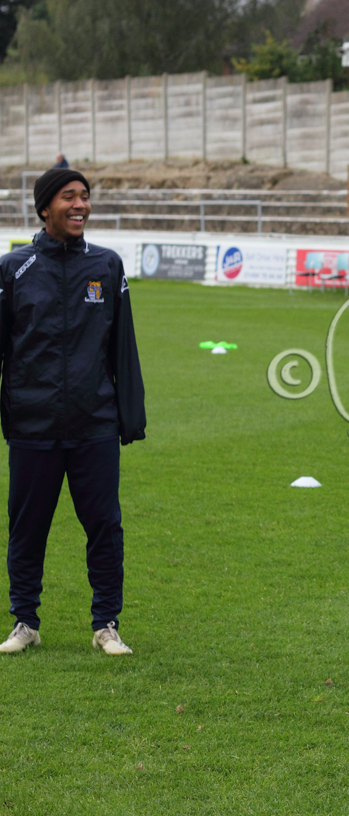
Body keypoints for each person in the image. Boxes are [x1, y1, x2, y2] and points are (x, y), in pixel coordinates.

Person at [0, 168, 146, 656]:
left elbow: (122, 346)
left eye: (85, 196)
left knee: (104, 526)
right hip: (32, 424)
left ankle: (106, 624)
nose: (80, 204)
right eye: (69, 196)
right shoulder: (13, 268)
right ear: (45, 208)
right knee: (27, 528)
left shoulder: (107, 265)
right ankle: (25, 622)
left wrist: (130, 416)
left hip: (94, 424)